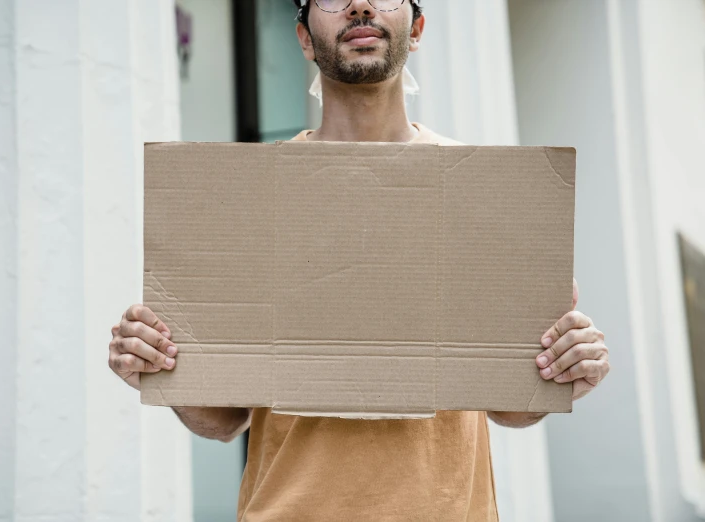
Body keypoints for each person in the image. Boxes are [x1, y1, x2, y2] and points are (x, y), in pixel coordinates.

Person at [108, 0, 611, 519]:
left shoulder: (482, 193)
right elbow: (223, 418)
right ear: (304, 37)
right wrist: (162, 363)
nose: (360, 6)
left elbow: (509, 407)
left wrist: (563, 362)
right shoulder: (252, 198)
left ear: (415, 28)